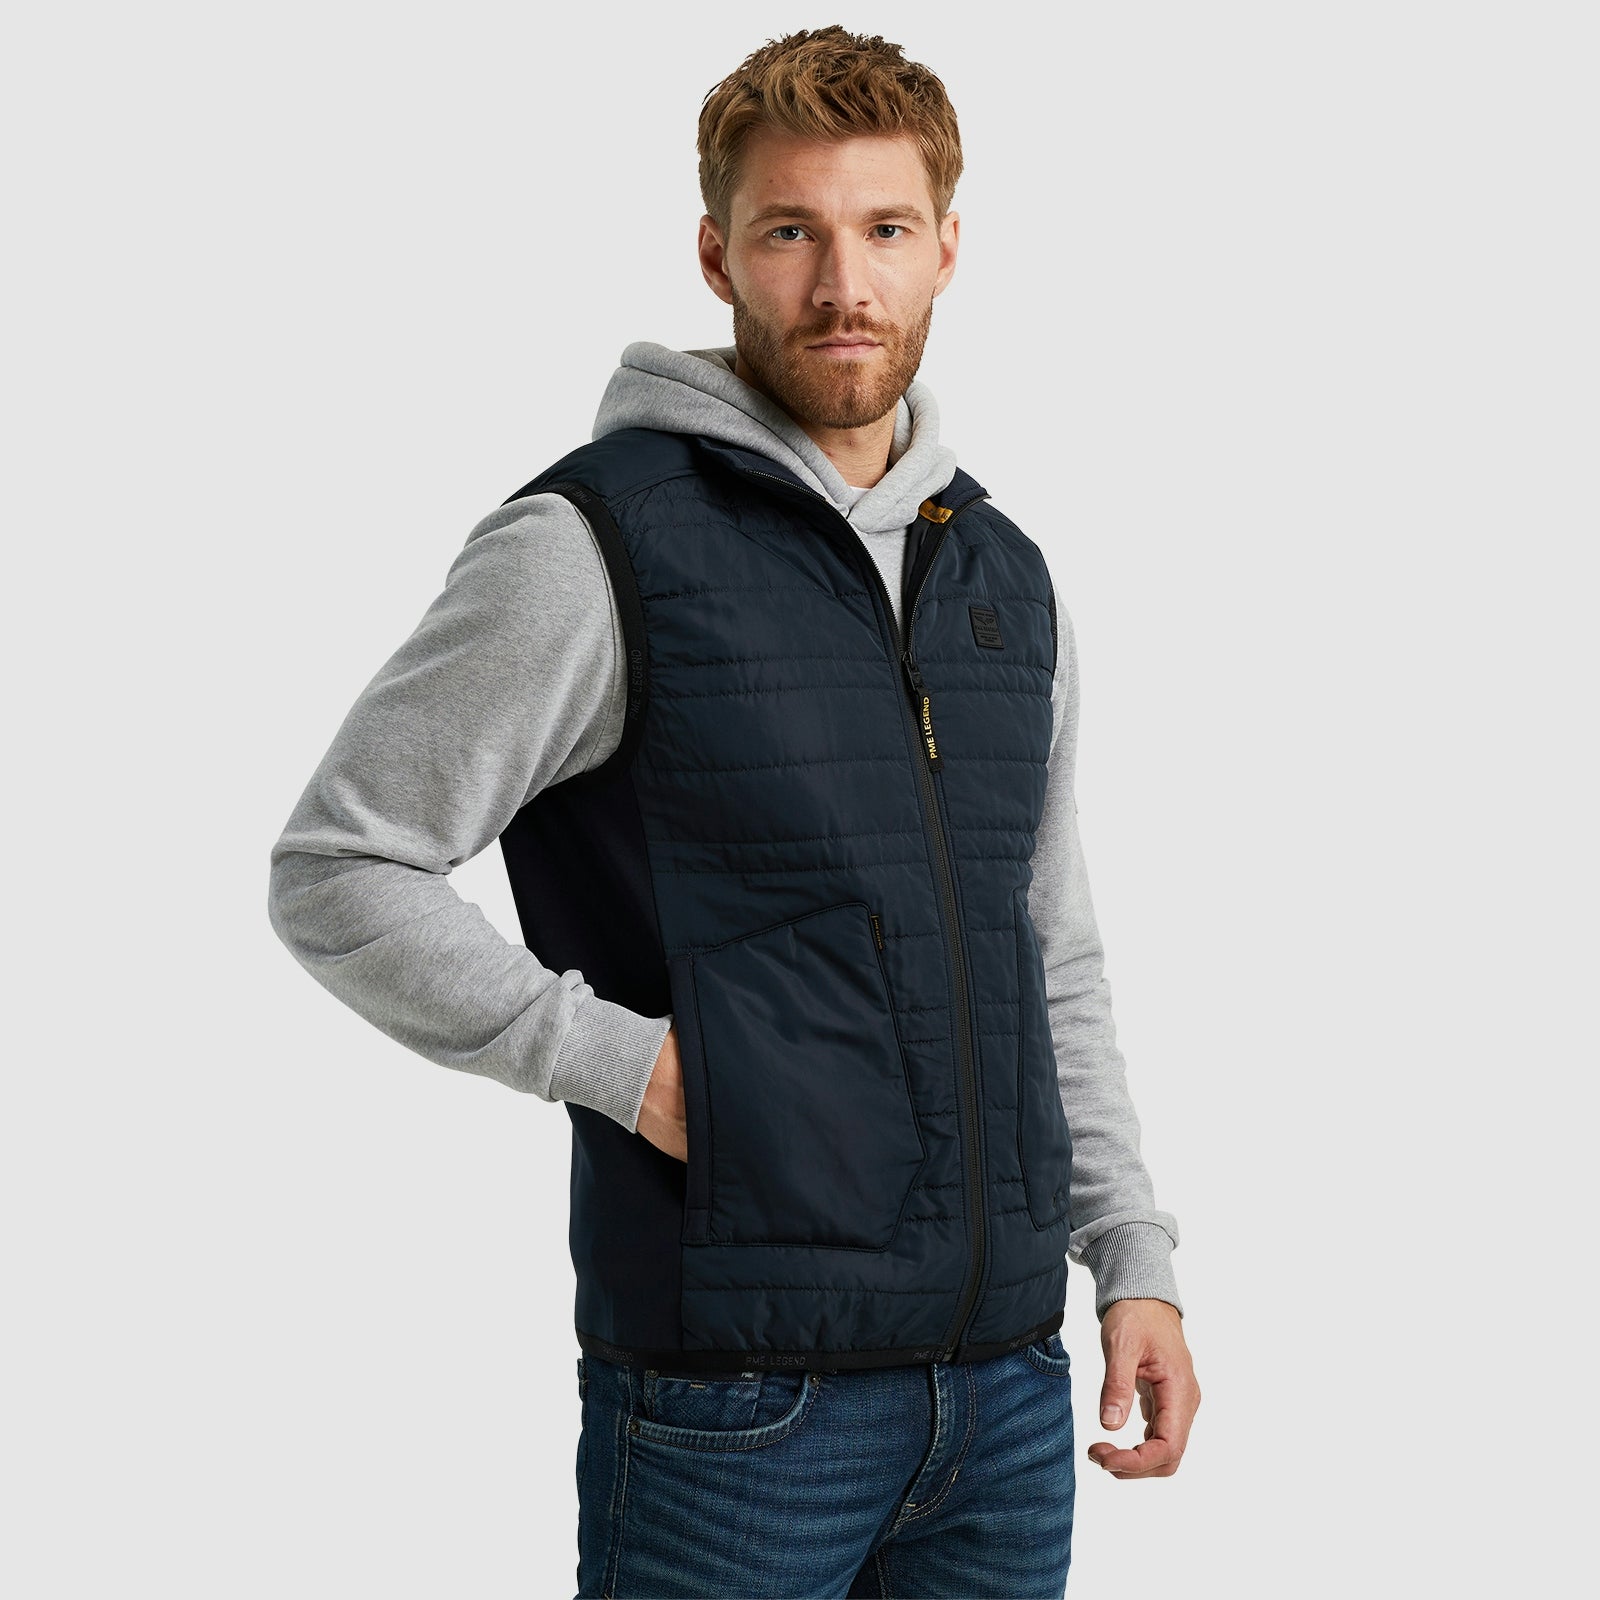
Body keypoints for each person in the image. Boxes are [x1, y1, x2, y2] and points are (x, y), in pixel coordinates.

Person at [267, 24, 1199, 1598]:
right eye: (790, 233)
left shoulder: (1001, 575)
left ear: (948, 248)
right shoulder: (596, 543)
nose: (843, 284)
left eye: (884, 230)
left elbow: (1048, 947)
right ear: (716, 254)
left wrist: (1132, 1255)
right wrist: (621, 1066)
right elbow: (342, 865)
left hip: (1006, 1394)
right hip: (737, 1414)